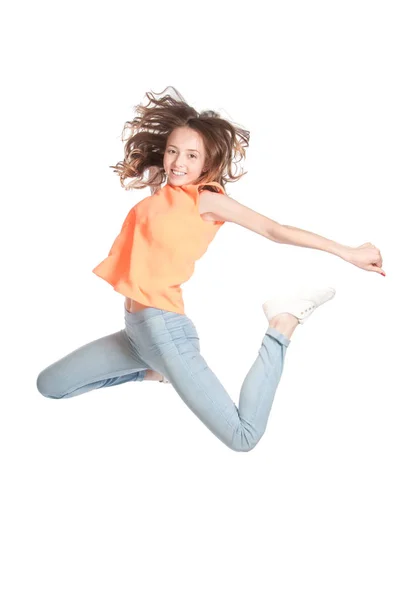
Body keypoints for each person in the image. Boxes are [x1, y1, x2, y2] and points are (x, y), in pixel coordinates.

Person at [36, 87, 385, 452]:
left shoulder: (207, 200)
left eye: (191, 155)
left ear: (207, 163)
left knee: (243, 436)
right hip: (136, 334)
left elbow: (274, 230)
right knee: (51, 385)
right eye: (173, 151)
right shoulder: (164, 190)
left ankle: (282, 324)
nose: (178, 163)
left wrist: (346, 251)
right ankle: (156, 373)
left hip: (167, 331)